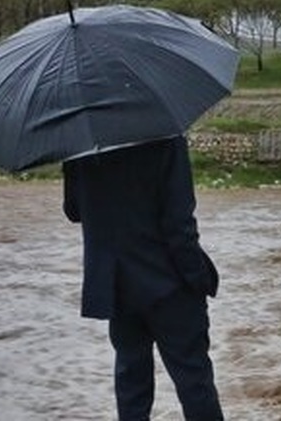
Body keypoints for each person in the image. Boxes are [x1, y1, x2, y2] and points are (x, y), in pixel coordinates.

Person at [62, 135, 223, 420]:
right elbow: (179, 224)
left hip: (117, 284)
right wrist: (198, 277)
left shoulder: (81, 140)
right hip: (171, 283)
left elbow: (74, 210)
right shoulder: (165, 135)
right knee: (194, 382)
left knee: (131, 387)